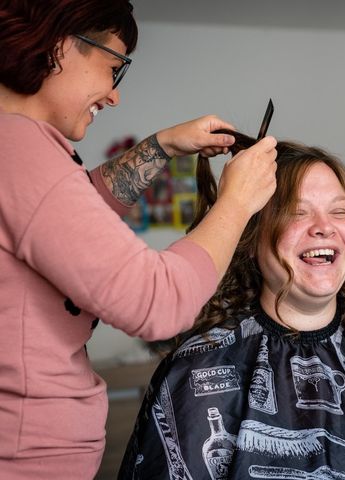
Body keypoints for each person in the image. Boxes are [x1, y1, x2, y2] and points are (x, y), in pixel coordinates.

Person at [0, 1, 277, 478]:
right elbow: (158, 302)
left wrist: (164, 145)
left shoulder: (16, 149)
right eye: (113, 68)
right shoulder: (20, 150)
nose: (112, 95)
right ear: (61, 44)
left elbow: (69, 213)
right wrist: (236, 203)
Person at [118, 133, 345, 479]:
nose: (324, 227)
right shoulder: (200, 370)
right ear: (251, 236)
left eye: (339, 211)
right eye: (298, 211)